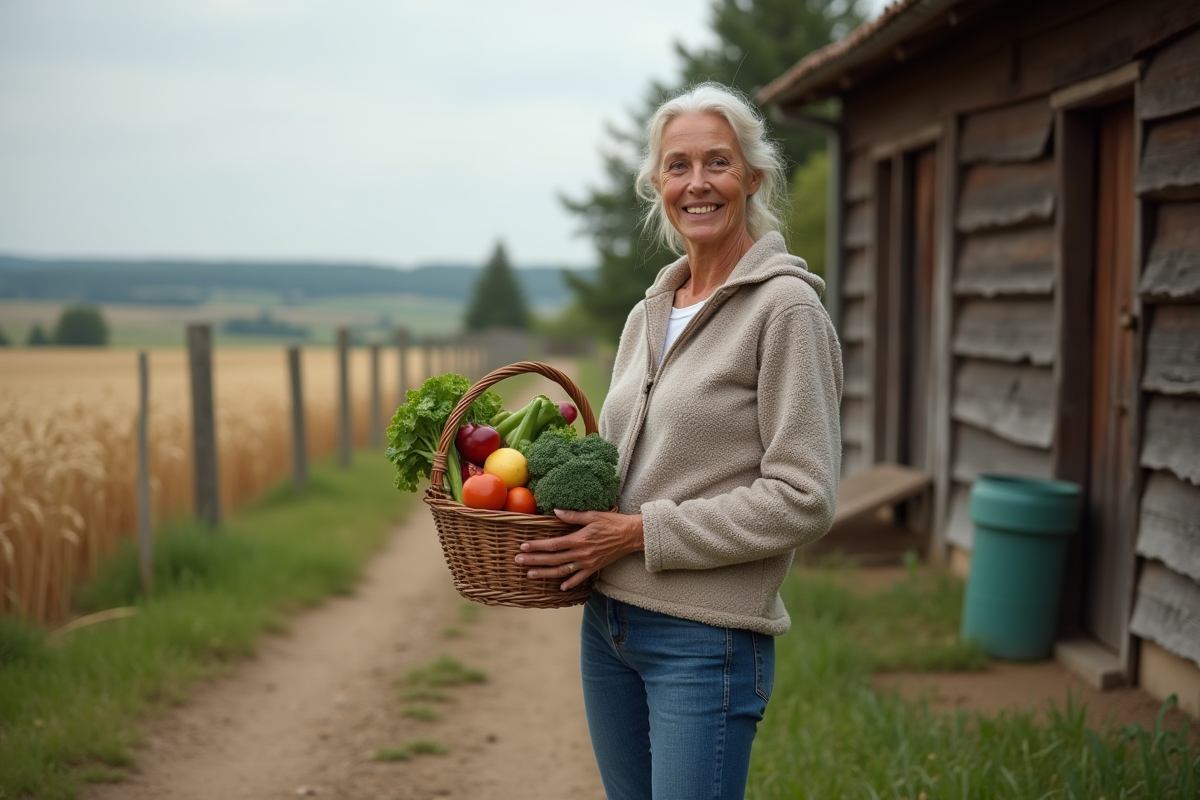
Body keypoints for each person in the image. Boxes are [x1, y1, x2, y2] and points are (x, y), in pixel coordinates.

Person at [515, 81, 843, 800]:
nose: (698, 183)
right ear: (658, 183)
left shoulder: (786, 311)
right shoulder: (647, 313)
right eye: (678, 165)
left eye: (718, 163)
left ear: (753, 178)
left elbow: (805, 498)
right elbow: (619, 463)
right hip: (610, 630)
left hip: (706, 639)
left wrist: (636, 534)